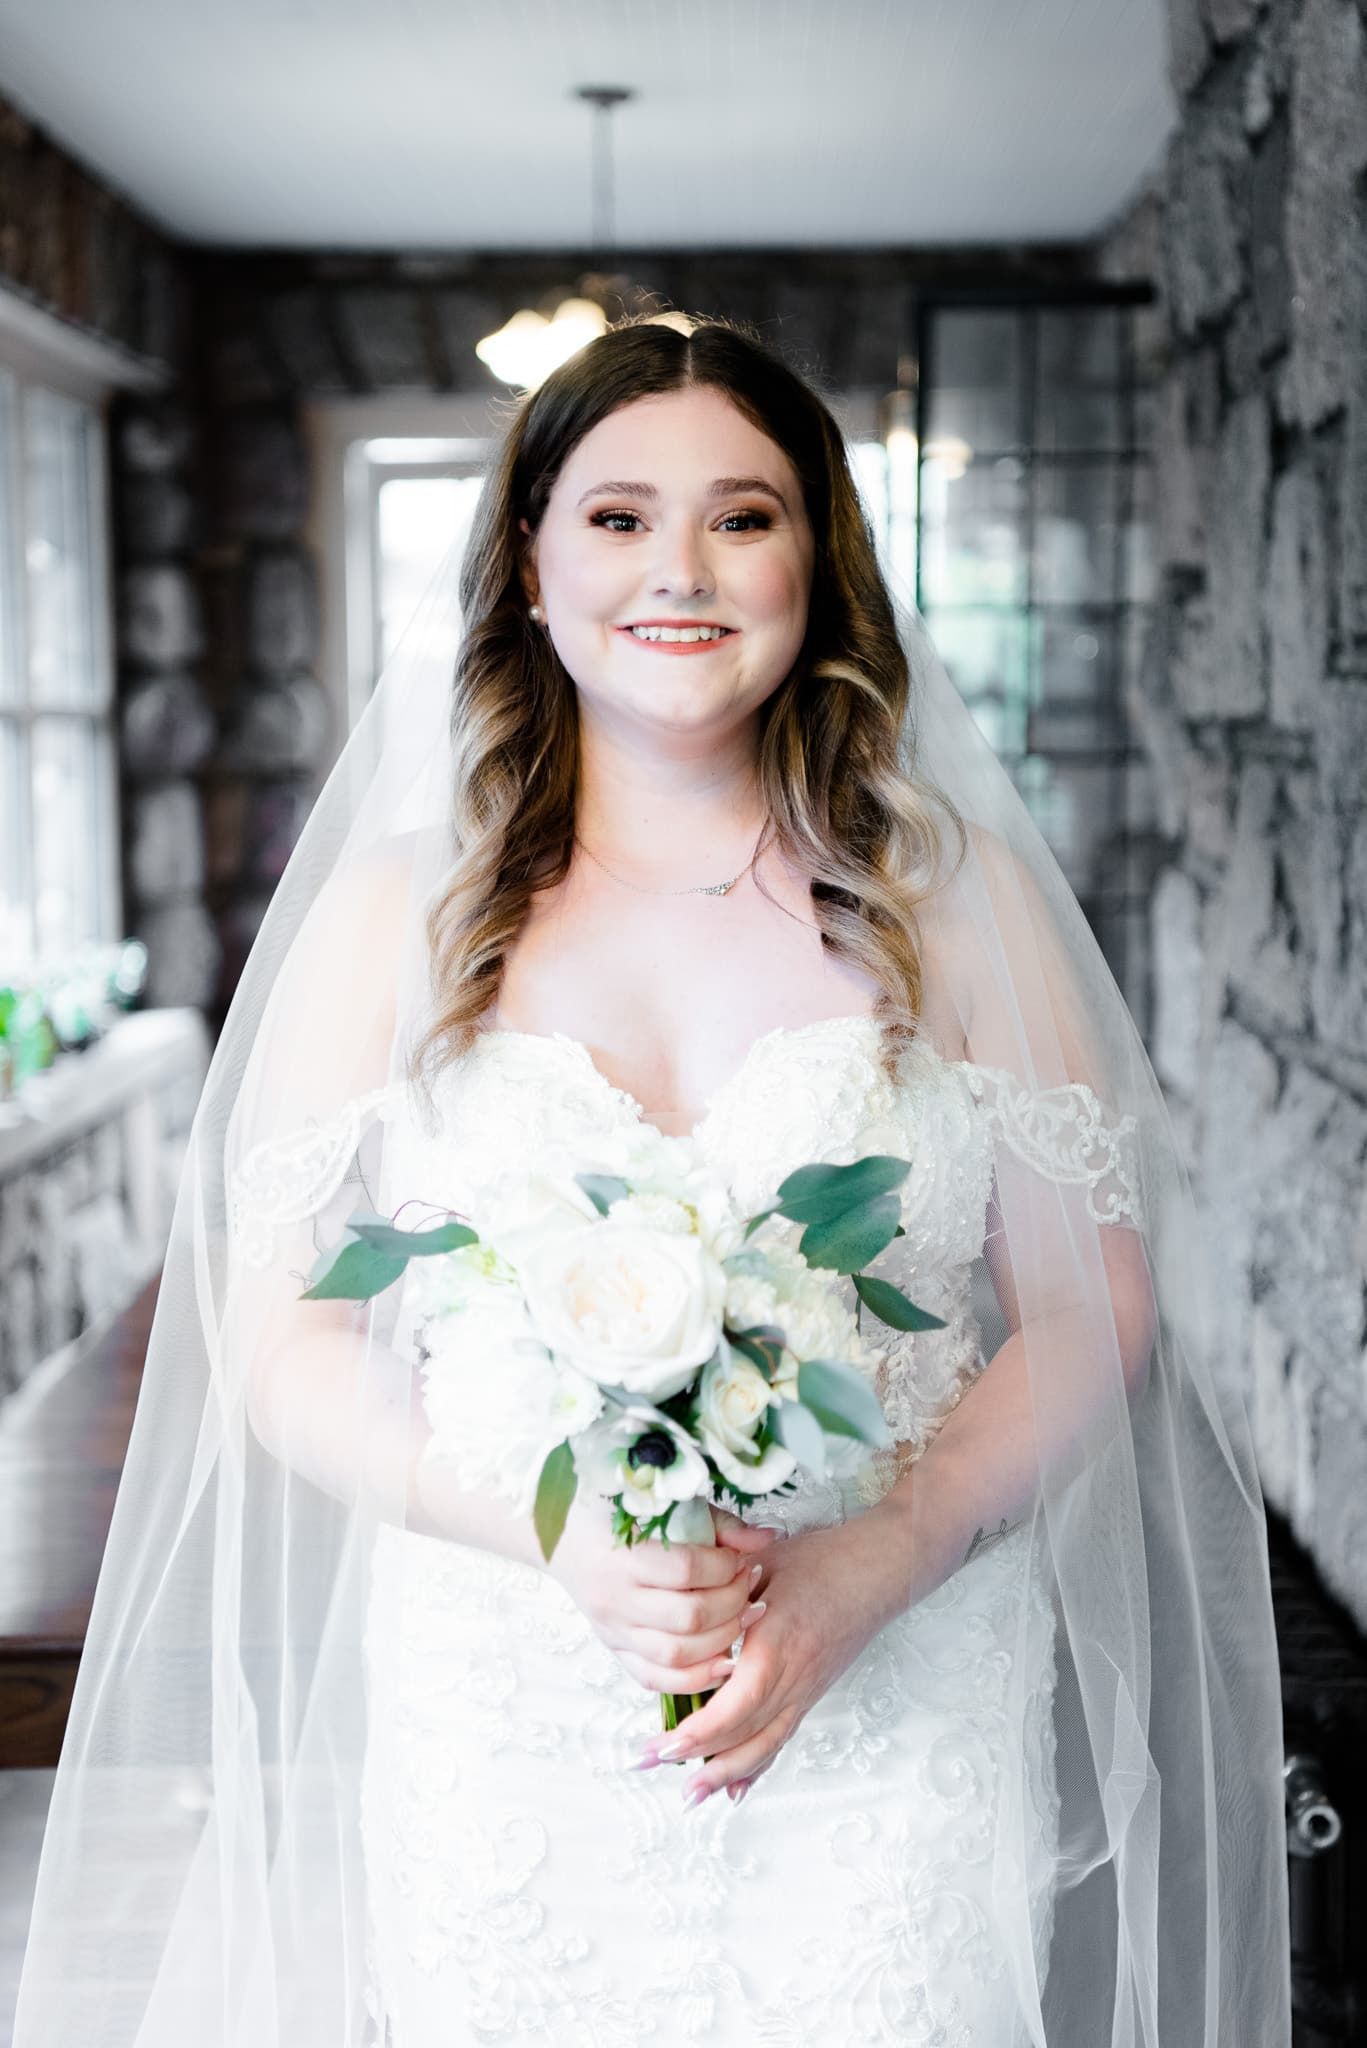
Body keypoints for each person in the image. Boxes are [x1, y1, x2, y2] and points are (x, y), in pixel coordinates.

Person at [13, 314, 1291, 2046]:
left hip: (897, 1697)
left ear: (817, 568)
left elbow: (1094, 1304)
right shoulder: (400, 917)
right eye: (616, 516)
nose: (678, 567)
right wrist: (541, 1536)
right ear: (529, 569)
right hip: (511, 1709)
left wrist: (880, 1554)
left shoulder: (953, 897)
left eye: (743, 516)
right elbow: (279, 1341)